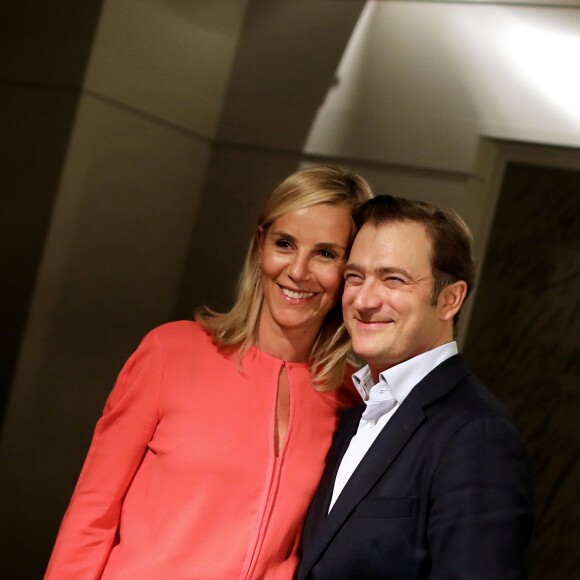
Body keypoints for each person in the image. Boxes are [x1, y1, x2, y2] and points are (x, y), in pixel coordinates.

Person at [45, 166, 373, 579]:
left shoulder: (352, 399)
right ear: (260, 245)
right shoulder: (172, 352)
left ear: (351, 271)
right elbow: (91, 515)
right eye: (284, 244)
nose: (298, 271)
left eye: (325, 253)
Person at [297, 195, 534, 579]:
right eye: (355, 276)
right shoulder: (355, 410)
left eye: (394, 279)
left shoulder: (477, 435)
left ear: (449, 299)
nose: (363, 300)